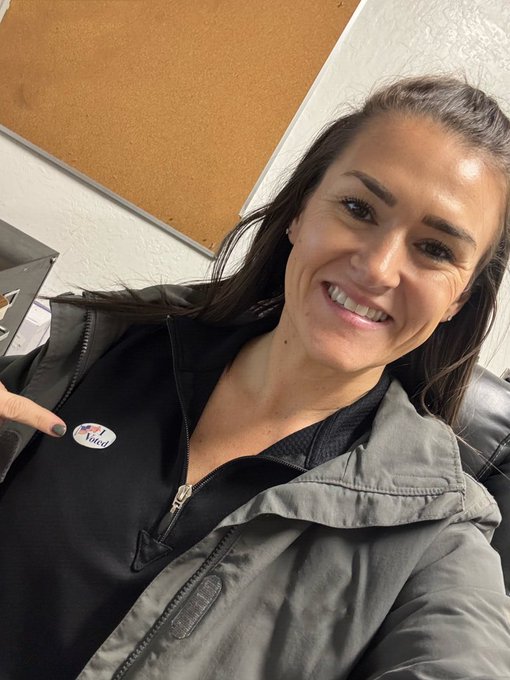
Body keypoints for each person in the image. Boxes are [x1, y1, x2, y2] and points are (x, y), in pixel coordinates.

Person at [0, 75, 509, 679]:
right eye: (358, 209)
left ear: (459, 299)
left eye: (435, 249)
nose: (377, 268)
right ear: (299, 213)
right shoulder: (103, 346)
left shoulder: (436, 534)